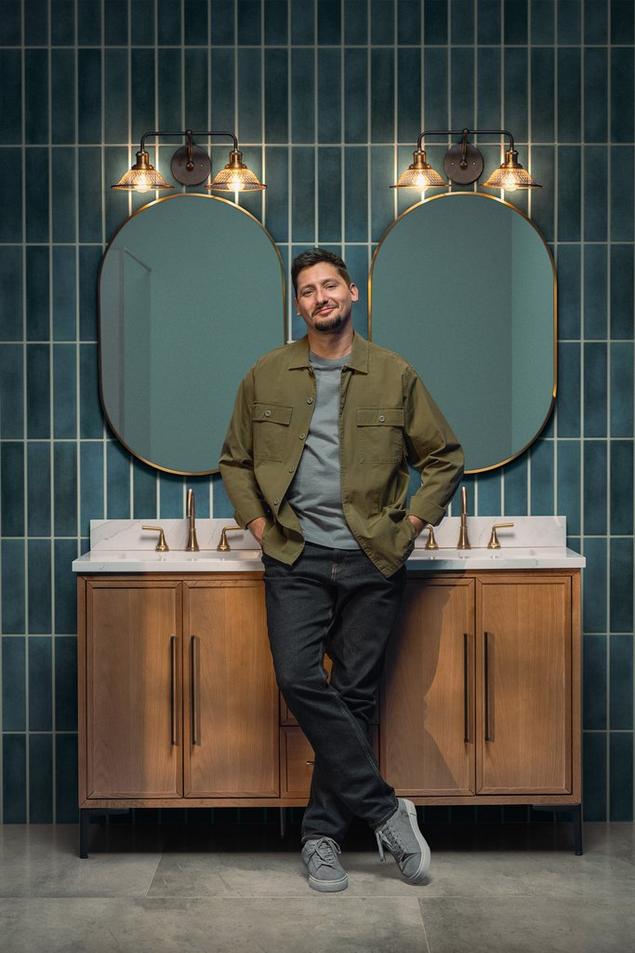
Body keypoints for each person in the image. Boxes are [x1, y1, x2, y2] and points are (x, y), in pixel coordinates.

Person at [219, 248, 464, 893]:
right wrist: (258, 528)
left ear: (352, 294)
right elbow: (235, 461)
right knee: (299, 676)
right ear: (297, 305)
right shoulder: (266, 375)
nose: (319, 297)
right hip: (295, 555)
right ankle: (387, 810)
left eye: (330, 285)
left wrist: (410, 526)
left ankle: (321, 838)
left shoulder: (394, 374)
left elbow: (444, 457)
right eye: (307, 290)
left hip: (372, 557)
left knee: (354, 697)